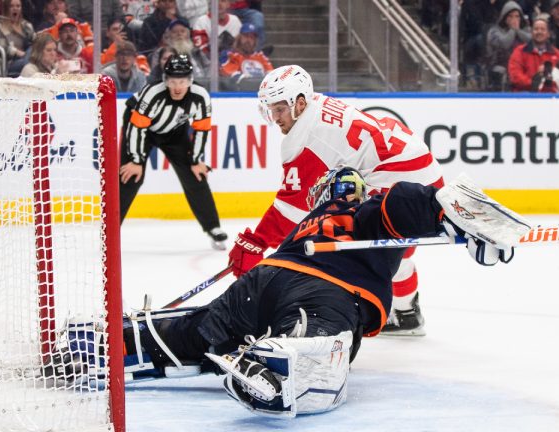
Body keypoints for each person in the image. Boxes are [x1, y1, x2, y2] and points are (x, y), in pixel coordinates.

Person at [54, 167, 519, 417]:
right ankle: (284, 360)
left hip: (263, 281)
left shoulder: (309, 219)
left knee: (200, 329)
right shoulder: (367, 211)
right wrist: (458, 220)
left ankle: (104, 341)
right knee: (313, 332)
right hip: (327, 290)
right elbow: (406, 201)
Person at [227, 65, 444, 336]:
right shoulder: (315, 106)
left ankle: (340, 325)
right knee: (387, 248)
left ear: (300, 103)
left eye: (280, 109)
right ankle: (407, 314)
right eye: (271, 110)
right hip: (420, 168)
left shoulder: (307, 141)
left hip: (400, 178)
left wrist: (256, 241)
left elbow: (291, 209)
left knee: (355, 253)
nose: (276, 117)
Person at [119, 54, 228, 249]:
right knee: (130, 176)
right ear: (165, 80)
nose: (178, 87)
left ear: (191, 80)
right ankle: (110, 229)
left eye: (183, 81)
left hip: (174, 132)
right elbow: (137, 127)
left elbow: (202, 129)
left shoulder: (200, 97)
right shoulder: (154, 93)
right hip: (141, 128)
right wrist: (136, 160)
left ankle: (213, 227)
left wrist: (195, 160)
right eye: (173, 81)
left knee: (196, 176)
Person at [486, 1, 531, 91]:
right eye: (510, 16)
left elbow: (531, 42)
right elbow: (504, 44)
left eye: (517, 16)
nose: (514, 19)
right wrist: (512, 30)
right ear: (504, 17)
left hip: (522, 67)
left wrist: (517, 30)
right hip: (501, 66)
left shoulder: (526, 30)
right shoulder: (494, 31)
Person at [508, 16, 559, 91]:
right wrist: (534, 84)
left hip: (550, 97)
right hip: (525, 96)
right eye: (536, 29)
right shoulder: (519, 51)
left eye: (543, 29)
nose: (539, 32)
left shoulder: (557, 54)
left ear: (548, 34)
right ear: (531, 32)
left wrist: (547, 84)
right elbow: (515, 76)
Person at [219, 23, 273, 90]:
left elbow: (271, 75)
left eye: (252, 37)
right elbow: (232, 75)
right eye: (246, 36)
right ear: (239, 37)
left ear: (255, 41)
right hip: (242, 95)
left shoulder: (261, 56)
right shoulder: (231, 55)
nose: (248, 40)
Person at [0, 0, 36, 76]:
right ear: (5, 8)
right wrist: (15, 51)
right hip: (8, 63)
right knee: (30, 65)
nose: (15, 8)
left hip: (27, 58)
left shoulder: (26, 25)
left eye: (18, 6)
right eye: (11, 6)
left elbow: (36, 41)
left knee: (33, 50)